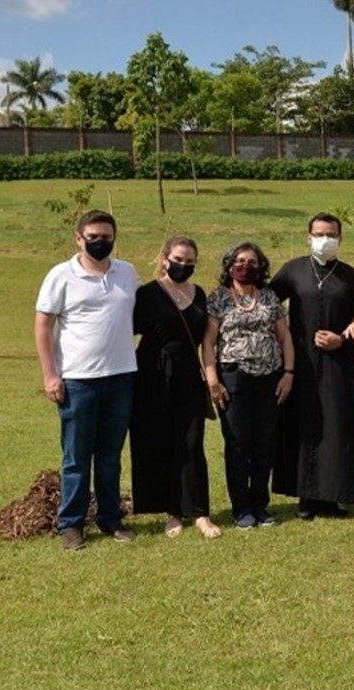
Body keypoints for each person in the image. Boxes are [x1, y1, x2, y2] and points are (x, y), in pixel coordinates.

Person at [34, 209, 139, 551]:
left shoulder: (127, 273)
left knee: (110, 455)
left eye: (106, 237)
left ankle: (110, 518)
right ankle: (71, 524)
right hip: (78, 381)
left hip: (121, 377)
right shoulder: (61, 275)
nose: (99, 242)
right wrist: (51, 375)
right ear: (78, 238)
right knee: (76, 458)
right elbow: (43, 325)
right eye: (92, 237)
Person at [270, 213, 354, 520]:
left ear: (340, 239)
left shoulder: (350, 277)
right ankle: (305, 496)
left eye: (331, 234)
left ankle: (332, 497)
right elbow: (267, 304)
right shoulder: (293, 271)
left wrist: (343, 338)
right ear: (308, 237)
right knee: (302, 426)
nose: (324, 239)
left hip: (337, 365)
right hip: (298, 362)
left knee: (336, 426)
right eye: (319, 233)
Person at [129, 236, 221, 539]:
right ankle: (172, 513)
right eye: (179, 259)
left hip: (188, 375)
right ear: (165, 258)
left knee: (192, 443)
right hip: (151, 374)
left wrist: (211, 377)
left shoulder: (200, 294)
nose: (183, 265)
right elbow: (125, 333)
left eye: (190, 262)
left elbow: (207, 340)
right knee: (159, 441)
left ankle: (200, 513)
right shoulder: (146, 294)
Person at [203, 242, 294, 531]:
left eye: (252, 262)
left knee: (265, 444)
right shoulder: (219, 298)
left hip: (270, 379)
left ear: (261, 267)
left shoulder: (269, 298)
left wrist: (289, 373)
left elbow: (285, 338)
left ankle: (260, 504)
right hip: (234, 378)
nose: (246, 266)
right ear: (229, 266)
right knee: (239, 445)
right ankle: (241, 508)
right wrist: (212, 379)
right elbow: (208, 342)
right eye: (240, 261)